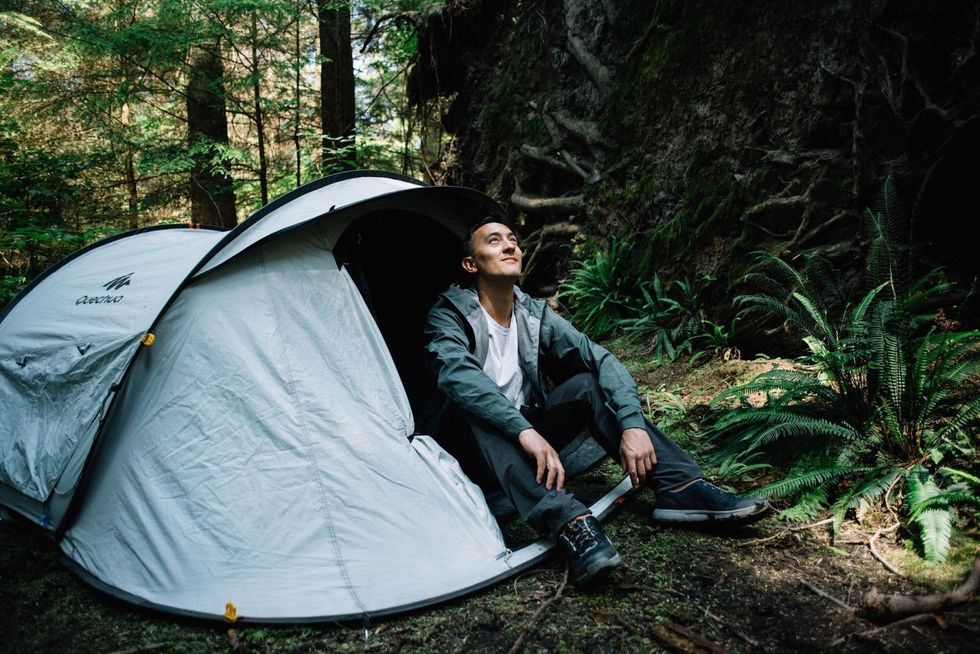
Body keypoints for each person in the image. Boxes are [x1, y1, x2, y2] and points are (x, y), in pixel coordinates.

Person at [422, 216, 770, 588]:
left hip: (526, 437)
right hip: (470, 452)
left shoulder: (532, 314)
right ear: (470, 264)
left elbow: (600, 359)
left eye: (513, 239)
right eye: (494, 241)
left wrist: (632, 423)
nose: (510, 246)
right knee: (478, 411)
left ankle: (679, 487)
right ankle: (570, 522)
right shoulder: (448, 315)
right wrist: (524, 430)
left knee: (587, 384)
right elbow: (460, 378)